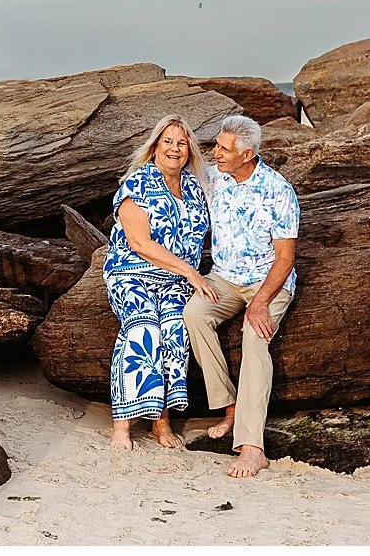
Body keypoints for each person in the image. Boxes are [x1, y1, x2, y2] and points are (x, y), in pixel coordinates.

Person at [184, 113, 300, 477]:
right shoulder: (216, 179)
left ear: (247, 154)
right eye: (216, 145)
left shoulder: (278, 191)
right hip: (225, 279)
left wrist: (261, 302)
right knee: (195, 314)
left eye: (223, 148)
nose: (215, 153)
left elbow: (285, 258)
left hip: (269, 281)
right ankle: (228, 406)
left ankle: (252, 446)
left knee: (254, 338)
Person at [102, 114, 215, 452]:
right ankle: (122, 424)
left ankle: (160, 421)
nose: (174, 148)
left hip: (174, 283)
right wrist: (192, 273)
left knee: (174, 333)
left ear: (190, 151)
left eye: (181, 143)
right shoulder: (137, 183)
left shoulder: (196, 186)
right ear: (154, 148)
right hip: (131, 272)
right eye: (167, 142)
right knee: (143, 329)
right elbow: (139, 242)